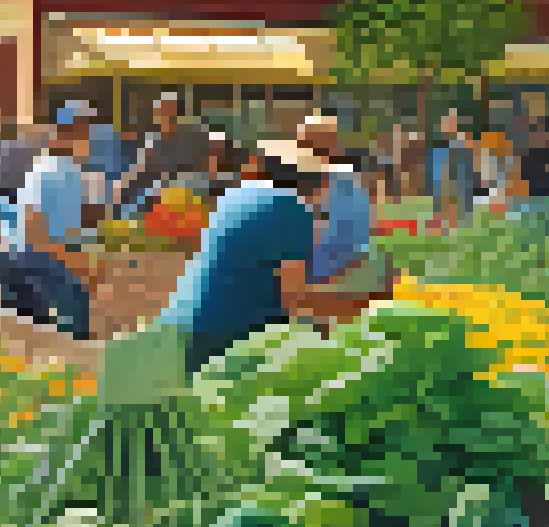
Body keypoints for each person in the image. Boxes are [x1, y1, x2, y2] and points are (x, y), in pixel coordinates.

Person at [154, 139, 345, 375]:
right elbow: (296, 296)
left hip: (178, 322)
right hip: (224, 335)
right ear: (312, 184)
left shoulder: (235, 196)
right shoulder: (293, 209)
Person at [0, 118, 95, 338]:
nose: (87, 139)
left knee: (79, 306)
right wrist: (70, 257)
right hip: (30, 258)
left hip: (52, 255)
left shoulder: (74, 172)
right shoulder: (44, 170)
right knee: (74, 307)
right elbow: (32, 228)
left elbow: (75, 224)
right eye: (81, 132)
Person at [297, 116, 373, 282]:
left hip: (335, 276)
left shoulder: (346, 184)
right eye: (304, 145)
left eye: (315, 144)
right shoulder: (293, 181)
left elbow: (355, 239)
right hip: (301, 275)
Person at [114, 94, 213, 216]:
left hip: (179, 189)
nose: (163, 116)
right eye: (160, 113)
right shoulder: (152, 138)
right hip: (155, 187)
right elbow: (142, 166)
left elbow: (199, 169)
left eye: (168, 111)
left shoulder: (191, 136)